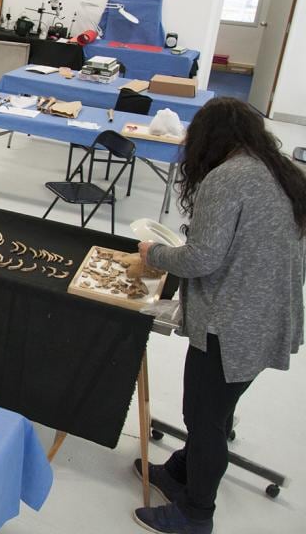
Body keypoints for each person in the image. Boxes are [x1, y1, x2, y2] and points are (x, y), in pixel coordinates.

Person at [134, 97, 306, 534]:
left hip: (231, 325)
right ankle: (182, 470)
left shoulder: (228, 178)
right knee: (217, 407)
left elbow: (202, 258)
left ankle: (196, 514)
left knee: (204, 417)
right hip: (267, 315)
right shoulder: (280, 170)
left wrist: (153, 253)